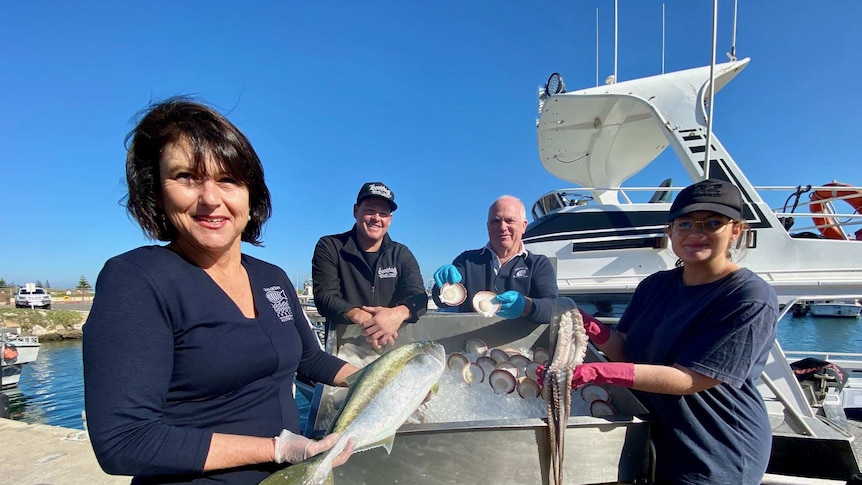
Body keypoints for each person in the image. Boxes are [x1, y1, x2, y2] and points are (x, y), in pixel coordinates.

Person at [82, 97, 358, 485]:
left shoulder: (272, 277)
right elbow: (123, 440)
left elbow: (310, 361)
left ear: (251, 196)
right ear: (157, 194)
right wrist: (277, 448)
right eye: (186, 177)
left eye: (228, 180)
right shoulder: (137, 279)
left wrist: (378, 378)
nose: (211, 198)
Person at [549, 178, 778, 484]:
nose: (696, 233)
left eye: (712, 223)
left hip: (715, 452)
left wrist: (597, 373)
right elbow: (625, 348)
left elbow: (689, 379)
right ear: (670, 231)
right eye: (684, 224)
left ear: (736, 230)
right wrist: (586, 323)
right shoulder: (654, 285)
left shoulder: (748, 296)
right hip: (654, 439)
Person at [312, 182, 427, 350]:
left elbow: (419, 297)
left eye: (383, 213)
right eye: (370, 210)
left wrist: (397, 314)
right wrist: (363, 318)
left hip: (393, 345)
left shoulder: (401, 253)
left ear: (390, 219)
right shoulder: (330, 246)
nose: (376, 218)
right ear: (355, 211)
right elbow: (325, 296)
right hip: (345, 345)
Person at [430, 195, 558, 323]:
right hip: (471, 340)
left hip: (521, 341)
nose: (502, 227)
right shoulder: (467, 261)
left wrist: (526, 305)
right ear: (488, 226)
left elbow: (553, 309)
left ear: (524, 226)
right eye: (495, 221)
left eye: (510, 220)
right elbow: (442, 301)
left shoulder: (538, 264)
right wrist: (441, 287)